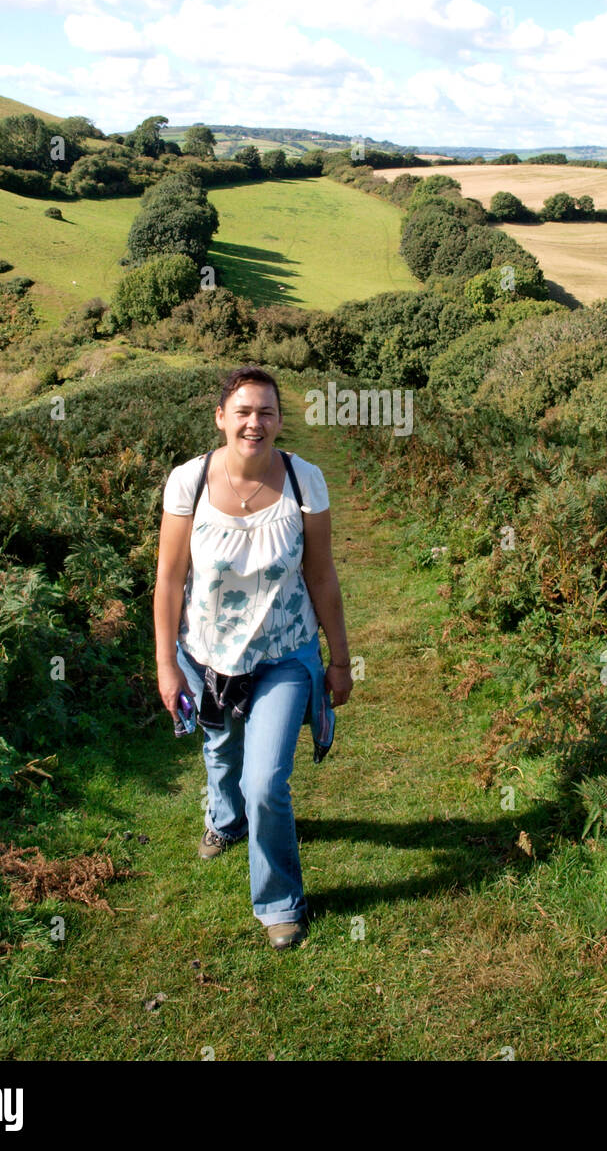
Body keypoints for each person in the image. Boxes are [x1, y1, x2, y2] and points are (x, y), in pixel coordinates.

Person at [154, 365, 352, 950]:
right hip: (207, 653)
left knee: (265, 779)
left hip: (285, 653)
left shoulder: (304, 481)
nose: (254, 422)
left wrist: (339, 660)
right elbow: (168, 580)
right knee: (220, 747)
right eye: (242, 411)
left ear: (279, 421)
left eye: (266, 412)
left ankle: (280, 902)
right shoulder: (187, 483)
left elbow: (320, 573)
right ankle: (223, 819)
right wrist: (167, 664)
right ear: (221, 417)